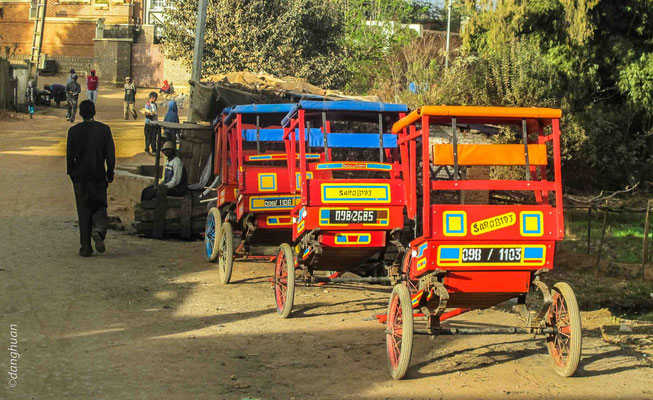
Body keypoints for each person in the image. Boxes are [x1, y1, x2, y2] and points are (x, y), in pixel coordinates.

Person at [66, 100, 115, 257]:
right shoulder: (104, 130)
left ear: (80, 113)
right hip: (98, 176)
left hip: (80, 177)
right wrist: (110, 173)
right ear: (94, 112)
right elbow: (110, 155)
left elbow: (69, 157)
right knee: (100, 206)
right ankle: (99, 231)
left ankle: (86, 247)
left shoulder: (73, 131)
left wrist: (71, 174)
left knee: (83, 211)